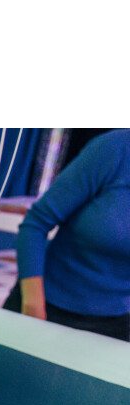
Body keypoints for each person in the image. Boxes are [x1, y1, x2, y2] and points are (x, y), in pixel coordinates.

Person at [8, 129, 130, 341]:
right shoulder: (114, 149)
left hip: (115, 325)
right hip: (45, 305)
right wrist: (33, 308)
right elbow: (35, 224)